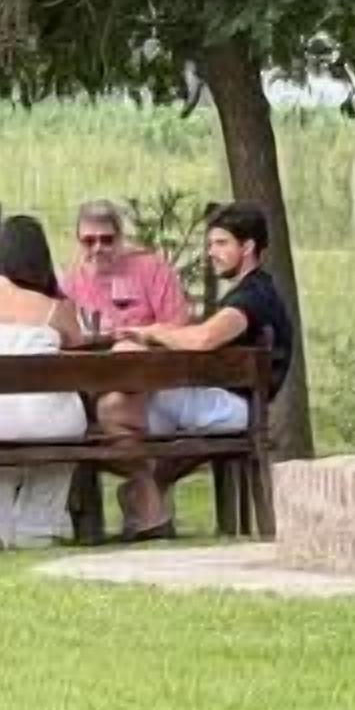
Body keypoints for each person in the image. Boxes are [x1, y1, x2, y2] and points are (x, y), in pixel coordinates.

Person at [100, 201, 292, 540]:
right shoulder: (255, 291)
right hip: (233, 404)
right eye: (210, 244)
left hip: (233, 408)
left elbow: (204, 338)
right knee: (119, 407)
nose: (211, 253)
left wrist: (153, 332)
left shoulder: (251, 297)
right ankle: (150, 497)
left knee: (112, 408)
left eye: (221, 244)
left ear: (247, 248)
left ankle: (148, 501)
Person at [0, 212, 91, 550]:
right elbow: (80, 346)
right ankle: (38, 524)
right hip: (45, 419)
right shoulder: (55, 308)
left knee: (1, 429)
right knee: (60, 427)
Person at [61, 200, 191, 336]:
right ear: (78, 242)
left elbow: (177, 325)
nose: (98, 248)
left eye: (106, 240)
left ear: (120, 239)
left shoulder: (153, 270)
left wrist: (131, 334)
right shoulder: (71, 282)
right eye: (89, 241)